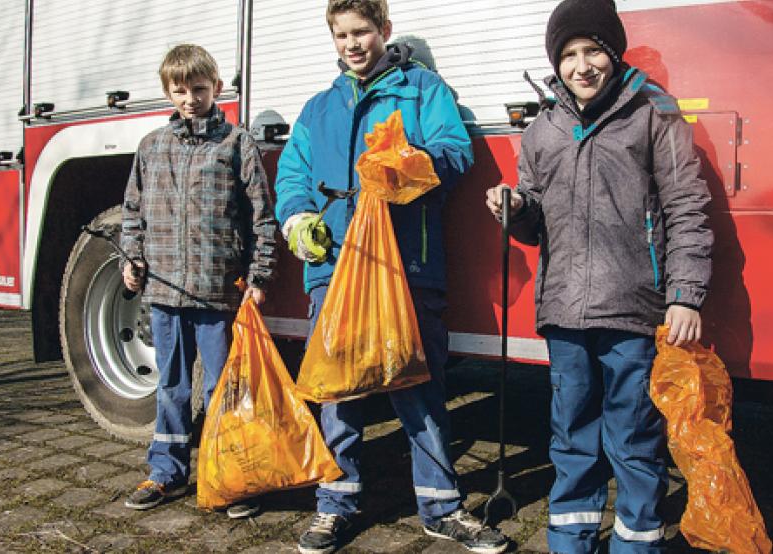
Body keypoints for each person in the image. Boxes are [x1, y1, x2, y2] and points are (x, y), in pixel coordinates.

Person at [274, 2, 508, 553]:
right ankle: (336, 504)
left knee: (420, 391)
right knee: (340, 393)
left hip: (407, 267)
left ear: (385, 30)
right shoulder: (319, 107)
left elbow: (455, 151)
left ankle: (441, 507)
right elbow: (292, 174)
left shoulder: (423, 89)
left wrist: (405, 166)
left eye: (362, 32)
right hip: (335, 271)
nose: (353, 44)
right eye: (342, 35)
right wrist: (299, 219)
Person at [485, 0, 713, 552]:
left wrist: (684, 296)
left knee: (634, 441)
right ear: (555, 62)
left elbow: (687, 205)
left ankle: (636, 543)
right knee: (571, 441)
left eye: (593, 51)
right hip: (564, 313)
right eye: (568, 55)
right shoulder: (543, 128)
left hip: (633, 309)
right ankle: (571, 543)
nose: (581, 66)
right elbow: (536, 221)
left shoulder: (654, 114)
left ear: (613, 54)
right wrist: (516, 209)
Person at [120, 44, 276, 518]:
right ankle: (166, 471)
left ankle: (228, 473)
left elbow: (262, 219)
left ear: (218, 89)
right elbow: (132, 214)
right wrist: (132, 260)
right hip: (164, 293)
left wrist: (259, 275)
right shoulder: (152, 147)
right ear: (168, 91)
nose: (190, 99)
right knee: (171, 386)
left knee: (223, 388)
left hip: (216, 294)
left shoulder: (236, 144)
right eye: (180, 90)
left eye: (200, 89)